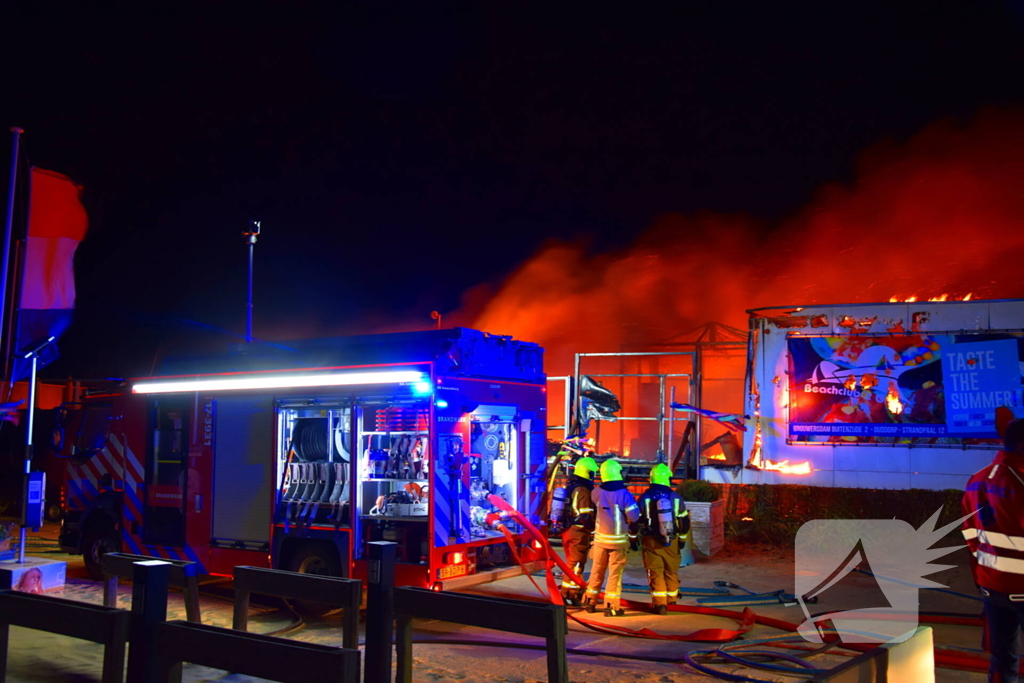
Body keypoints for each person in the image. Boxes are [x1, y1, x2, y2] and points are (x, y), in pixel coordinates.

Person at [962, 416, 1024, 682]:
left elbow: (970, 535)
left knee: (1002, 662)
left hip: (991, 585)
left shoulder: (977, 480)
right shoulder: (1019, 481)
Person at [583, 459, 639, 617]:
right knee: (614, 574)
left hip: (600, 541)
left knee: (596, 572)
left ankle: (590, 602)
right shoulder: (624, 494)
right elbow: (634, 517)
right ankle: (611, 606)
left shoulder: (596, 492)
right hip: (618, 542)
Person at [638, 463, 690, 615]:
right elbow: (684, 522)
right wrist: (681, 539)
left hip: (650, 539)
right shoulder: (675, 498)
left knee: (656, 572)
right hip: (671, 538)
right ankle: (672, 600)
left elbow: (637, 520)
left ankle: (660, 605)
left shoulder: (645, 497)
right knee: (671, 570)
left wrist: (633, 538)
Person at [556, 456, 597, 605]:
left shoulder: (571, 485)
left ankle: (569, 592)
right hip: (578, 532)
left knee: (570, 563)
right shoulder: (584, 490)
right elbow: (586, 516)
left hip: (567, 530)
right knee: (577, 564)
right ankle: (569, 594)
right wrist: (593, 531)